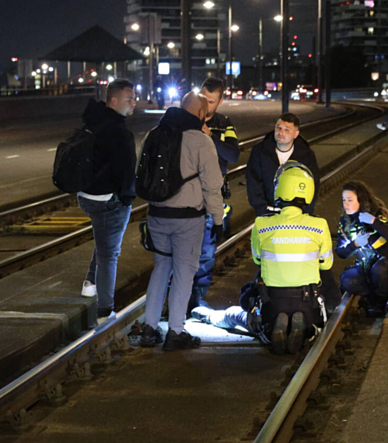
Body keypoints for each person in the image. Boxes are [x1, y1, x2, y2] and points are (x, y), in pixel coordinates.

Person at [194, 161, 332, 354]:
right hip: (306, 299)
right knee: (316, 324)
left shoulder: (262, 224)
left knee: (239, 317)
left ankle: (209, 315)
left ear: (279, 188)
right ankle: (306, 329)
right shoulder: (319, 225)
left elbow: (258, 259)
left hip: (271, 301)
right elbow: (326, 264)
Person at [139, 92, 225, 350]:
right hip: (187, 219)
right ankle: (176, 331)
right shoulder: (200, 140)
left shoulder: (154, 134)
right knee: (184, 273)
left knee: (161, 268)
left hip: (157, 216)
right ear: (200, 114)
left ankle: (149, 327)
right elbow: (212, 186)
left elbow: (142, 173)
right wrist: (218, 220)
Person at [77, 79, 137, 323]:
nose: (134, 103)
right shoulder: (119, 132)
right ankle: (104, 310)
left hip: (86, 195)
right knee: (109, 253)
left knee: (103, 241)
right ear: (114, 100)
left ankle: (90, 283)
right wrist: (126, 198)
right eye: (129, 99)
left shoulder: (92, 122)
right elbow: (126, 171)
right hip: (107, 200)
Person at [189, 77, 240, 311]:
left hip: (212, 195)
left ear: (219, 101)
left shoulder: (224, 124)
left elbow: (233, 155)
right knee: (183, 248)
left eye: (210, 101)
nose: (205, 105)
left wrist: (210, 135)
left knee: (207, 252)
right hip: (188, 195)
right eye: (203, 99)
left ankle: (198, 297)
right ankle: (179, 295)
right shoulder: (186, 119)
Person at [335, 181, 388, 317]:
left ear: (360, 200)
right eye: (344, 200)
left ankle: (380, 304)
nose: (346, 204)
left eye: (350, 200)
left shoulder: (376, 215)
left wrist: (374, 222)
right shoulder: (345, 222)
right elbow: (340, 252)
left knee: (379, 270)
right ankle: (372, 298)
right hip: (366, 268)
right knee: (347, 280)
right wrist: (355, 244)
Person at [245, 113, 319, 217]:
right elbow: (253, 180)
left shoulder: (306, 155)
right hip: (267, 213)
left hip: (296, 215)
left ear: (296, 134)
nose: (281, 132)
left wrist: (305, 211)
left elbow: (313, 183)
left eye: (287, 129)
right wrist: (261, 208)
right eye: (278, 128)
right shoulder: (260, 151)